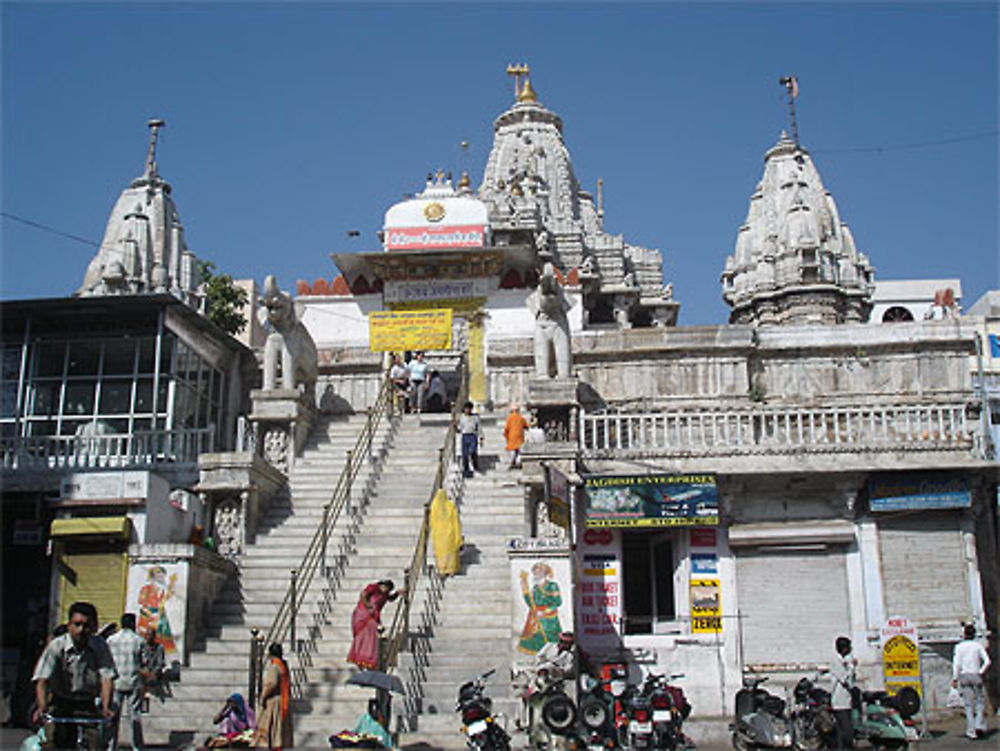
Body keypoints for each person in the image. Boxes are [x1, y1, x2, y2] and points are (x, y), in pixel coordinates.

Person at [31, 601, 116, 751]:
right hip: (60, 704)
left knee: (94, 744)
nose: (81, 630)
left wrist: (105, 706)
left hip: (86, 705)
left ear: (93, 627)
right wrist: (42, 707)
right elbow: (42, 680)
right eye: (77, 624)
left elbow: (107, 678)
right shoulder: (57, 646)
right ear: (69, 625)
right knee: (52, 743)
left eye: (86, 626)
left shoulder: (99, 646)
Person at [106, 613, 146, 751]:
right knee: (134, 715)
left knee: (113, 716)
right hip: (133, 680)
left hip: (116, 681)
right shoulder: (139, 640)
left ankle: (110, 745)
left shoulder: (111, 640)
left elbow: (106, 659)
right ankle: (136, 746)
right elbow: (144, 661)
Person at [348, 580, 404, 670]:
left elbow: (390, 598)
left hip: (373, 617)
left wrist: (397, 593)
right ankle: (360, 660)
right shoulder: (373, 587)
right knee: (361, 638)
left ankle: (366, 661)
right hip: (362, 615)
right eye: (385, 587)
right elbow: (363, 595)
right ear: (381, 585)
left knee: (370, 640)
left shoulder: (385, 594)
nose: (385, 590)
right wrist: (368, 606)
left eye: (388, 590)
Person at [952, 623, 991, 740]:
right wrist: (980, 671)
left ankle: (971, 730)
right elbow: (987, 661)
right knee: (980, 701)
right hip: (976, 674)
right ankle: (979, 724)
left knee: (968, 705)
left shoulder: (959, 647)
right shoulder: (977, 646)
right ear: (974, 634)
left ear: (964, 634)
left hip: (964, 675)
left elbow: (956, 664)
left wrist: (955, 678)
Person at [256, 643, 292, 751]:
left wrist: (263, 696)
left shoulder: (274, 666)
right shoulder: (283, 665)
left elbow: (271, 683)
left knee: (272, 730)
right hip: (283, 699)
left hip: (274, 701)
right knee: (278, 730)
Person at [829, 635, 856, 751]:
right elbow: (847, 680)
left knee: (842, 732)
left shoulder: (843, 661)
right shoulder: (836, 662)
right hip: (839, 702)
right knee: (847, 731)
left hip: (846, 701)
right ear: (844, 649)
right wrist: (852, 667)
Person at [139, 629, 167, 702]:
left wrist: (154, 672)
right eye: (147, 635)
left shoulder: (159, 647)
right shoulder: (142, 646)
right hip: (144, 671)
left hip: (154, 671)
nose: (149, 637)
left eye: (151, 635)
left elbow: (160, 662)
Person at [457, 402, 481, 479]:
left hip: (472, 435)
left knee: (473, 451)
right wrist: (455, 428)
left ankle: (475, 465)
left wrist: (481, 437)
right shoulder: (462, 417)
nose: (467, 410)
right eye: (466, 409)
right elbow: (460, 428)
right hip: (465, 436)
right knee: (464, 454)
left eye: (469, 409)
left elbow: (479, 428)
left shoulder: (475, 418)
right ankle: (466, 469)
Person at [503, 404, 530, 469]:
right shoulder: (521, 418)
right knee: (519, 451)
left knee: (513, 451)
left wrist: (506, 436)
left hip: (512, 437)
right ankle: (518, 462)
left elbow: (506, 429)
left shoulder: (510, 418)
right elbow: (527, 426)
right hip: (519, 437)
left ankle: (512, 462)